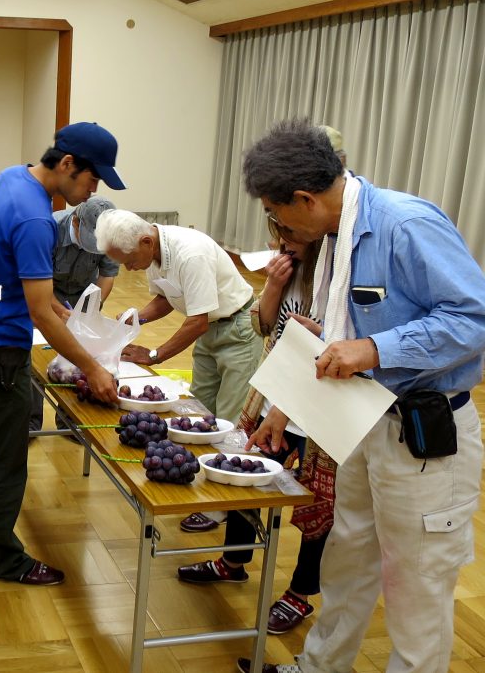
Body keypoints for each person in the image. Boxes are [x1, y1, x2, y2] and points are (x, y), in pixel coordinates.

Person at [235, 117, 485, 673]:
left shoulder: (404, 225)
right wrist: (285, 406)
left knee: (416, 589)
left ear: (304, 198)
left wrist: (374, 348)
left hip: (423, 438)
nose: (278, 228)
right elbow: (327, 333)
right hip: (360, 423)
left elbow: (474, 319)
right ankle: (321, 667)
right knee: (347, 563)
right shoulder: (336, 238)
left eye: (277, 216)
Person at [0, 122, 124, 586]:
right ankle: (6, 559)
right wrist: (93, 367)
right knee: (3, 452)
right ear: (67, 165)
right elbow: (40, 315)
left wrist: (51, 305)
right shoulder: (38, 220)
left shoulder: (9, 178)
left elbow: (12, 279)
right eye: (91, 178)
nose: (92, 189)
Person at [177, 217, 335, 635]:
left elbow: (335, 346)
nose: (283, 241)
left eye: (292, 233)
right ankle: (233, 562)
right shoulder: (287, 267)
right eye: (279, 233)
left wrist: (318, 335)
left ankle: (301, 594)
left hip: (318, 409)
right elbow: (263, 326)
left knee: (318, 503)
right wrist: (273, 288)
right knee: (244, 475)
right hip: (274, 397)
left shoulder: (337, 274)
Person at [95, 209, 264, 532]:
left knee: (229, 422)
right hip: (210, 329)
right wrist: (136, 319)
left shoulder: (190, 254)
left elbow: (197, 321)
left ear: (146, 241)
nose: (129, 268)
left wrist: (155, 354)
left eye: (129, 259)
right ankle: (199, 486)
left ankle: (224, 508)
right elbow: (168, 299)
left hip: (237, 332)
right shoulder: (153, 251)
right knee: (199, 414)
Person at [28, 195, 119, 432]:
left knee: (76, 361)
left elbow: (107, 276)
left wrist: (90, 310)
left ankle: (69, 423)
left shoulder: (110, 232)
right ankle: (30, 422)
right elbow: (37, 282)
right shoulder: (49, 229)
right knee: (36, 356)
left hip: (82, 296)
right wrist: (59, 312)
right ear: (76, 222)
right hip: (45, 295)